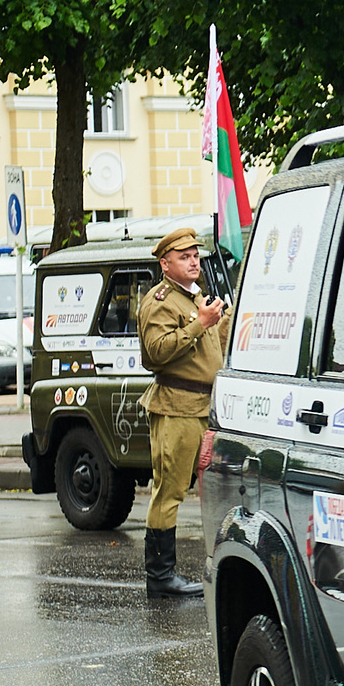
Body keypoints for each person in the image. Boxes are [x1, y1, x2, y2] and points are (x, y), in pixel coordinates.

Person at [137, 226, 230, 599]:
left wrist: (220, 321)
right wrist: (200, 323)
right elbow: (154, 354)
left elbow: (212, 348)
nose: (193, 261)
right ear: (165, 264)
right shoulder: (160, 302)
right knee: (170, 491)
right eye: (184, 257)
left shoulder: (196, 298)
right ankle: (160, 576)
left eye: (195, 255)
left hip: (205, 406)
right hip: (176, 406)